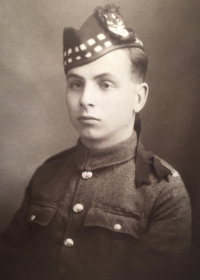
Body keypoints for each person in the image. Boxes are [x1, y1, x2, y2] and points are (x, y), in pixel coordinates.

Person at [0, 3, 191, 280]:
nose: (85, 99)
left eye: (105, 84)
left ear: (139, 98)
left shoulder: (165, 194)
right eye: (76, 83)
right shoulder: (47, 174)